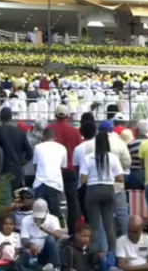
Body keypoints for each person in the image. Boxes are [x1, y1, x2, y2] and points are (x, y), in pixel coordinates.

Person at [79, 131, 124, 252]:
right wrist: (109, 177)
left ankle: (95, 254)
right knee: (109, 225)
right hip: (109, 191)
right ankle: (112, 253)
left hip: (92, 191)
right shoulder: (112, 157)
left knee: (94, 227)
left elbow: (83, 180)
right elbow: (120, 178)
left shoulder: (88, 158)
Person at [47, 105, 82, 235]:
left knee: (55, 202)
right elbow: (78, 149)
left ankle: (56, 228)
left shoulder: (50, 129)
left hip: (53, 169)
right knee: (72, 200)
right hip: (71, 169)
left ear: (55, 115)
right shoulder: (74, 131)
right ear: (67, 116)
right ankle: (72, 229)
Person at [0, 107, 33, 204]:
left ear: (0, 117)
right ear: (11, 117)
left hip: (3, 170)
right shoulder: (20, 132)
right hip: (17, 170)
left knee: (4, 201)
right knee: (15, 199)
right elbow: (30, 153)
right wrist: (23, 162)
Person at [34, 128, 68, 219]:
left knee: (40, 213)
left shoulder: (38, 147)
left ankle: (40, 231)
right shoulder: (62, 148)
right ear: (55, 138)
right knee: (56, 213)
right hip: (55, 183)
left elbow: (35, 165)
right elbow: (63, 167)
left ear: (43, 137)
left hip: (40, 183)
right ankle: (58, 230)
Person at [20, 198, 64, 270]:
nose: (38, 219)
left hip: (48, 252)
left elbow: (58, 235)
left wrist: (42, 228)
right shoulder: (26, 220)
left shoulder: (53, 219)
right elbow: (24, 240)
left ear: (46, 212)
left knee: (50, 239)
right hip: (33, 253)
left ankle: (57, 267)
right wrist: (31, 245)